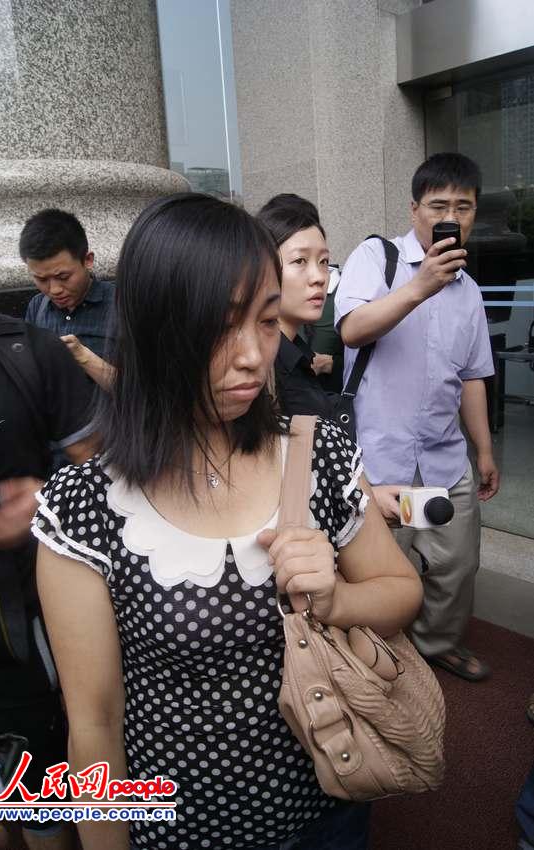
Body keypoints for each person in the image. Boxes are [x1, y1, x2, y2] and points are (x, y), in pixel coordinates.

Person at [33, 193, 423, 850]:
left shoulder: (316, 452)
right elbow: (94, 725)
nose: (252, 356)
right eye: (220, 327)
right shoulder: (83, 504)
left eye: (267, 322)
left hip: (329, 803)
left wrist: (336, 595)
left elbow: (400, 590)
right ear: (157, 330)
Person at [0, 181, 96, 850]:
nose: (53, 289)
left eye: (61, 275)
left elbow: (101, 468)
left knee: (43, 803)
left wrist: (50, 504)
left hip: (19, 639)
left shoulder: (28, 350)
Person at [335, 152, 500, 682]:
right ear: (414, 209)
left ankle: (438, 643)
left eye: (463, 206)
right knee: (389, 565)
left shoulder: (470, 291)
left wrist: (486, 451)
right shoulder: (375, 258)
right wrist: (420, 285)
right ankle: (385, 658)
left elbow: (472, 377)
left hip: (445, 460)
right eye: (437, 205)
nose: (449, 215)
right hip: (382, 462)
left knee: (453, 563)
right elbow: (352, 329)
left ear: (473, 214)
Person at [256, 194, 347, 421]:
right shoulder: (258, 372)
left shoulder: (297, 354)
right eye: (300, 261)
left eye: (324, 261)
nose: (319, 277)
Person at [21, 208, 115, 374]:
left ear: (87, 260)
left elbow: (142, 391)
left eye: (63, 277)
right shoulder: (37, 306)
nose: (54, 290)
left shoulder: (122, 304)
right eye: (42, 280)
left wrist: (83, 357)